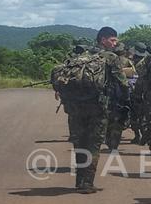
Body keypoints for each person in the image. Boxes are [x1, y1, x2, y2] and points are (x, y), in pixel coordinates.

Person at [54, 27, 128, 193]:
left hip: (75, 107)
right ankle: (87, 182)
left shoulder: (77, 56)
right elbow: (122, 83)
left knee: (79, 142)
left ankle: (79, 180)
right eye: (113, 40)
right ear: (103, 40)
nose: (115, 43)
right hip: (98, 107)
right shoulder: (111, 58)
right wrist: (125, 101)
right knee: (93, 143)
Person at [104, 42, 136, 153]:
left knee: (107, 120)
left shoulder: (104, 57)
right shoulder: (124, 61)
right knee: (117, 121)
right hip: (118, 96)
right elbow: (126, 79)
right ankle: (113, 145)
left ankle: (109, 141)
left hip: (105, 95)